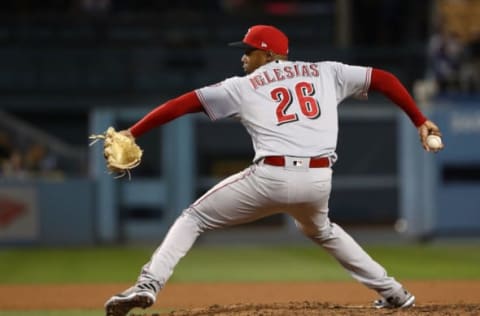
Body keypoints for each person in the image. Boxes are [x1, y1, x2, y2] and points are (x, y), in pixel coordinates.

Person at [104, 25, 444, 316]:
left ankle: (148, 285)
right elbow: (383, 79)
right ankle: (396, 294)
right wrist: (419, 119)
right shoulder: (327, 71)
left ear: (267, 56)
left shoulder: (242, 86)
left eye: (249, 51)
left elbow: (182, 104)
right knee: (321, 229)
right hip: (318, 180)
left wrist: (133, 132)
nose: (243, 58)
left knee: (194, 218)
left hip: (271, 176)